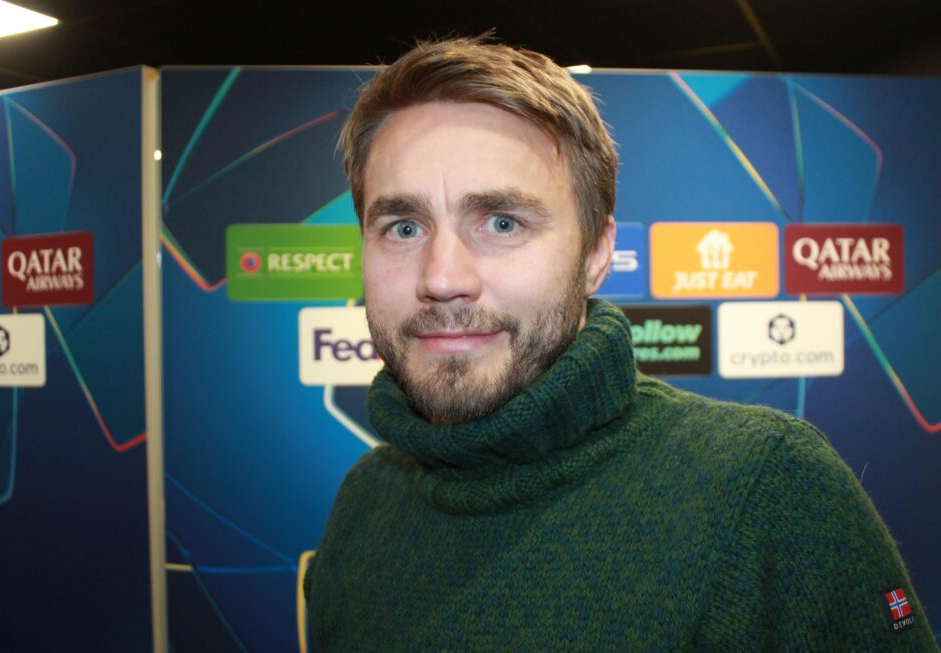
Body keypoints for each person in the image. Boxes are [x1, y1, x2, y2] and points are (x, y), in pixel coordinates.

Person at [303, 37, 937, 651]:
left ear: (596, 255)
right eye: (403, 227)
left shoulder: (769, 488)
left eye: (501, 222)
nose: (442, 278)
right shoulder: (365, 501)